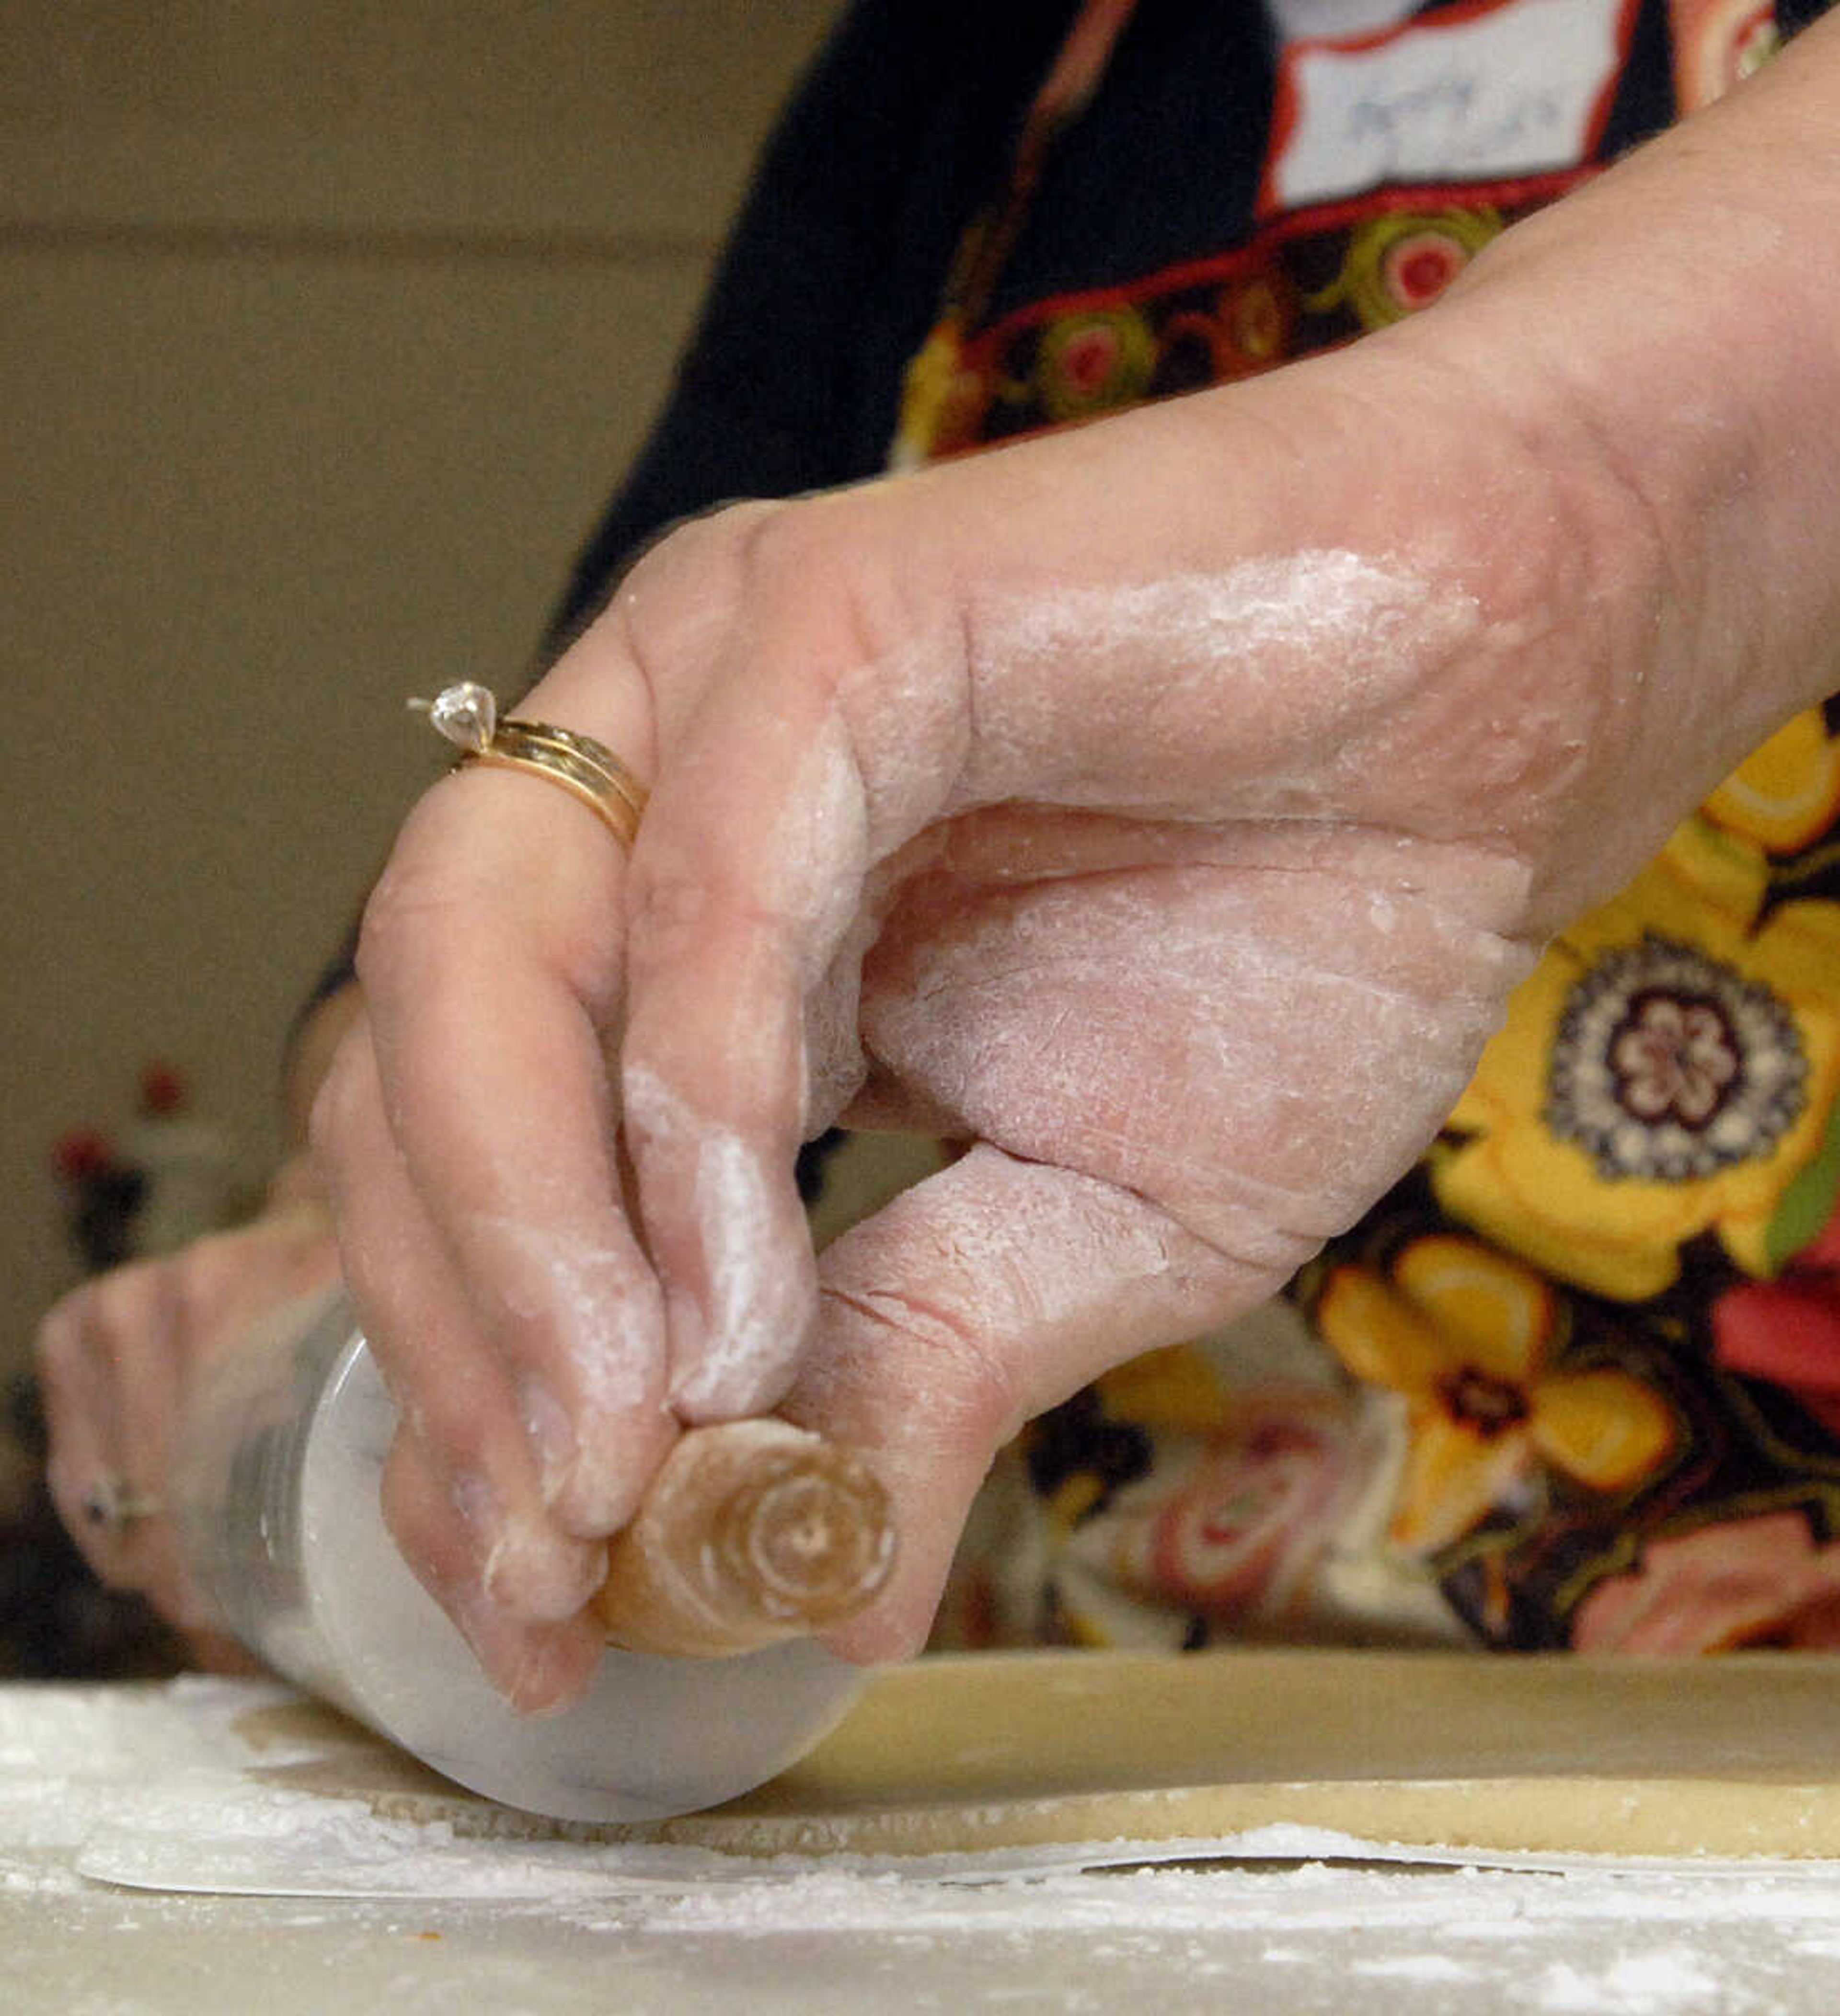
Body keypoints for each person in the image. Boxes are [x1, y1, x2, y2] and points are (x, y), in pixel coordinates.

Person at [37, 0, 1840, 1711]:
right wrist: (377, 1208)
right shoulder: (969, 70)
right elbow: (620, 761)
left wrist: (1583, 518)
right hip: (1108, 1731)